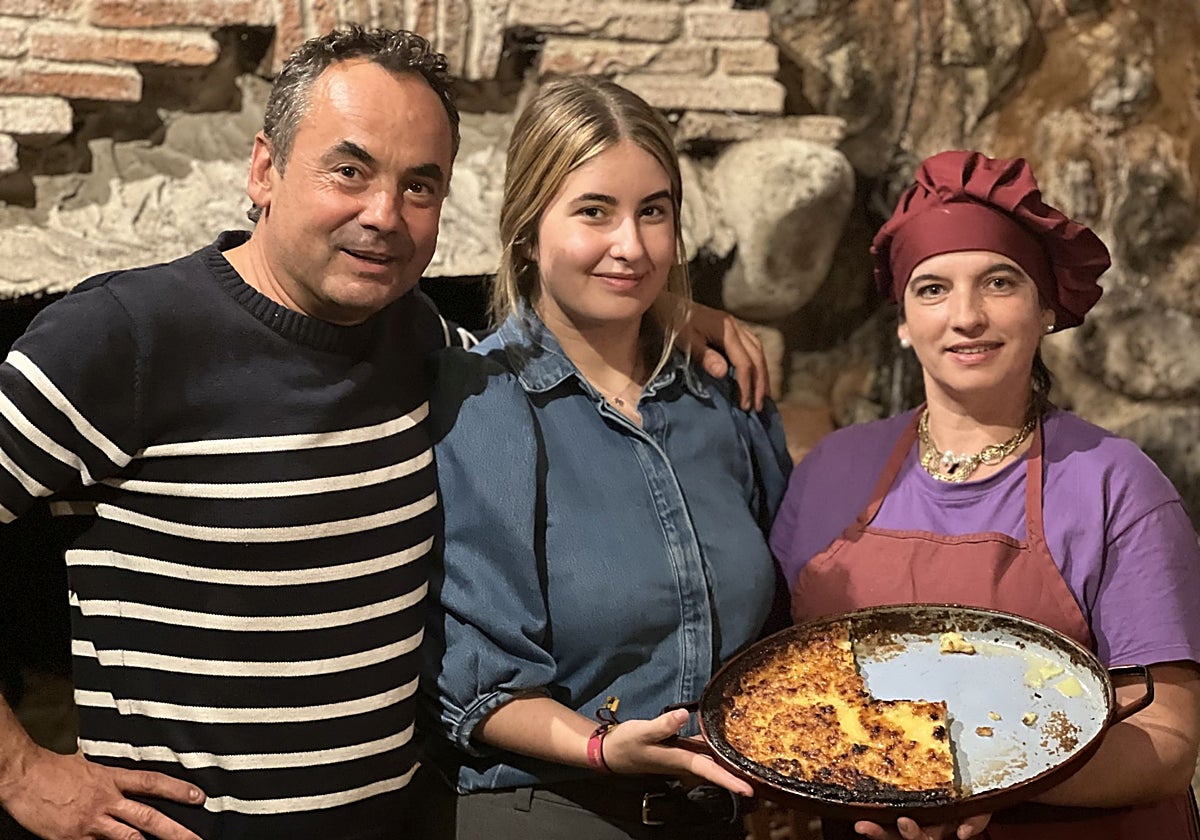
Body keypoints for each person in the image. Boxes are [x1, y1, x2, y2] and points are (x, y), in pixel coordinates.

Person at [0, 27, 770, 840]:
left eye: (420, 186)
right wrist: (22, 771)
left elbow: (553, 359)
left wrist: (670, 312)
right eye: (350, 170)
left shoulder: (420, 343)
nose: (384, 215)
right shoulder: (123, 336)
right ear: (264, 168)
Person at [770, 150, 1200, 840]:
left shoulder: (1114, 483)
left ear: (1047, 307)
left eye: (999, 282)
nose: (965, 316)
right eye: (933, 289)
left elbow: (1167, 742)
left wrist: (970, 782)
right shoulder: (831, 472)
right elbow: (786, 689)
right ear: (905, 322)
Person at [416, 75, 793, 840]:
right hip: (545, 809)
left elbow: (783, 613)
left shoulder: (721, 397)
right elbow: (477, 687)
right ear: (528, 228)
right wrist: (599, 747)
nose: (632, 246)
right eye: (595, 211)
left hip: (711, 814)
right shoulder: (483, 404)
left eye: (654, 212)